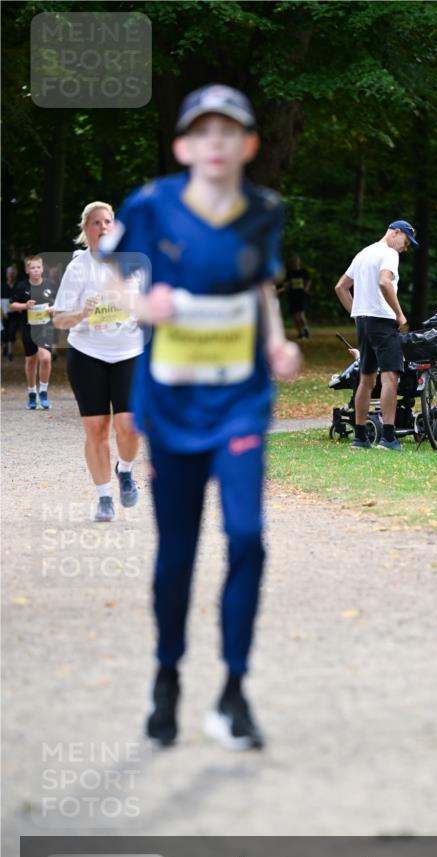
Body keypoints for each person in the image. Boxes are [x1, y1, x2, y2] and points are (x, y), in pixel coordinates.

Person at [98, 84, 300, 751]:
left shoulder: (264, 211)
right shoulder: (151, 204)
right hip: (174, 402)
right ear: (184, 146)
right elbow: (114, 275)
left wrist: (275, 341)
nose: (215, 142)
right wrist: (139, 304)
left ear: (247, 145)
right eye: (201, 131)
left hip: (240, 397)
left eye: (229, 131)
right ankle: (167, 677)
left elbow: (259, 286)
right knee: (176, 551)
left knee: (247, 537)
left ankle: (234, 691)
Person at [53, 202, 143, 522]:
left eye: (108, 221)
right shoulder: (79, 268)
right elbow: (59, 320)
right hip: (88, 354)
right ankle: (104, 497)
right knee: (96, 429)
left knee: (129, 426)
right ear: (86, 229)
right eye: (96, 222)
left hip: (129, 352)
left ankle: (126, 470)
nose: (103, 227)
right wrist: (81, 314)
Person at [334, 220, 418, 451]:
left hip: (363, 322)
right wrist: (399, 314)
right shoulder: (389, 253)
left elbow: (340, 287)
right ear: (396, 233)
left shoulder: (363, 253)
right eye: (406, 241)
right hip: (382, 320)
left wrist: (356, 312)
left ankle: (360, 437)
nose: (405, 247)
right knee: (390, 377)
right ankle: (388, 438)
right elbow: (384, 281)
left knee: (366, 377)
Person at [9, 255, 57, 410]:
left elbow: (59, 303)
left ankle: (43, 391)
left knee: (46, 358)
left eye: (38, 267)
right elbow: (12, 305)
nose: (35, 270)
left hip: (45, 328)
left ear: (42, 269)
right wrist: (24, 306)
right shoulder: (22, 286)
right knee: (31, 361)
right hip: (28, 328)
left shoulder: (50, 284)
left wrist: (52, 309)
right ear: (27, 270)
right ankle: (31, 393)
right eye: (32, 268)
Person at [277, 254, 311, 339]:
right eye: (294, 262)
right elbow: (286, 284)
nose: (295, 263)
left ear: (299, 262)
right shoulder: (290, 273)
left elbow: (308, 281)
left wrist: (306, 288)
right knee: (295, 316)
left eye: (297, 261)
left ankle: (306, 329)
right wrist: (283, 288)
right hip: (292, 295)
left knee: (301, 315)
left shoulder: (303, 272)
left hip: (301, 295)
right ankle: (300, 333)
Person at [2, 265, 19, 360]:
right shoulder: (2, 286)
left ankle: (9, 352)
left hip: (15, 314)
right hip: (3, 314)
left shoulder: (18, 286)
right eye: (9, 274)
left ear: (15, 275)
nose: (11, 276)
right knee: (4, 333)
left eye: (12, 274)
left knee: (12, 332)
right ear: (7, 275)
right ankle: (5, 347)